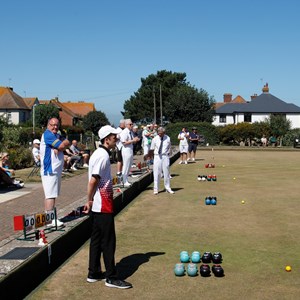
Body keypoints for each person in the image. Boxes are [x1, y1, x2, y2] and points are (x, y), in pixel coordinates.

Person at [83, 125, 132, 289]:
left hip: (100, 204)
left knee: (96, 239)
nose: (116, 138)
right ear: (106, 139)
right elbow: (93, 180)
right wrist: (88, 200)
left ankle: (94, 272)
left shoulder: (99, 154)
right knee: (108, 241)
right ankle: (111, 277)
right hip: (102, 204)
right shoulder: (102, 156)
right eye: (114, 136)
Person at [40, 118, 70, 227]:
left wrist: (60, 146)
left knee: (53, 194)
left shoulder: (56, 135)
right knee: (50, 195)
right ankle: (50, 220)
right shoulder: (48, 135)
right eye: (52, 125)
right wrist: (60, 146)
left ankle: (50, 218)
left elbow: (67, 141)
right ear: (48, 125)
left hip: (55, 170)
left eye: (57, 125)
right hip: (50, 170)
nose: (55, 127)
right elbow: (62, 145)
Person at [150, 127, 174, 194]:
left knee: (166, 172)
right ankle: (156, 189)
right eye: (158, 133)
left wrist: (169, 153)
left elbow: (169, 146)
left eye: (161, 133)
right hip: (157, 156)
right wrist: (152, 158)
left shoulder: (168, 138)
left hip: (165, 156)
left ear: (164, 133)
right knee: (157, 173)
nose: (159, 134)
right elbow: (152, 149)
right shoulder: (155, 139)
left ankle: (168, 188)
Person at [120, 119, 140, 187]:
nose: (132, 125)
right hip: (126, 150)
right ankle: (124, 180)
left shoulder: (130, 132)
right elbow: (124, 142)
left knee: (129, 165)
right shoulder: (124, 132)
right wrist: (133, 140)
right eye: (130, 124)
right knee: (126, 165)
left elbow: (131, 140)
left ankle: (126, 179)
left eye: (132, 124)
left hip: (130, 149)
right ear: (126, 125)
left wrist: (135, 140)